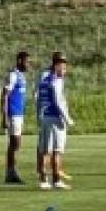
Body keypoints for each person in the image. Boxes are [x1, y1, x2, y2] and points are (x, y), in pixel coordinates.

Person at [35, 52, 74, 191]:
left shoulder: (44, 79)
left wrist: (39, 116)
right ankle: (54, 180)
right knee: (56, 151)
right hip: (55, 118)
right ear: (56, 66)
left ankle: (44, 179)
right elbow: (58, 101)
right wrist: (67, 118)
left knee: (45, 149)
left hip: (45, 117)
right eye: (63, 67)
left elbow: (38, 100)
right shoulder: (56, 80)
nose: (65, 70)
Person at [0, 50, 31, 185]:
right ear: (20, 61)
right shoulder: (13, 75)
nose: (28, 64)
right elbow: (4, 95)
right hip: (13, 113)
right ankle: (10, 172)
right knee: (14, 143)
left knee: (15, 144)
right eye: (27, 61)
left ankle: (11, 172)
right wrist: (4, 116)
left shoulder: (21, 76)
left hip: (19, 114)